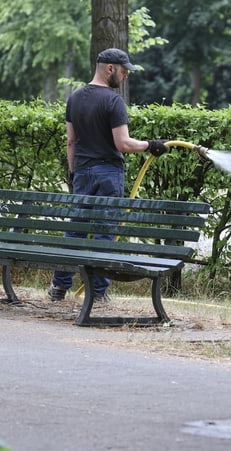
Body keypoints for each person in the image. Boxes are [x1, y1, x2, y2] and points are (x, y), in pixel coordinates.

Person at [49, 47, 169, 302]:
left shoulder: (75, 98)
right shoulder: (113, 101)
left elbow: (71, 142)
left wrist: (73, 173)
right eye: (124, 71)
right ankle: (97, 293)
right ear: (110, 68)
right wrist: (151, 145)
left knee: (76, 230)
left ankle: (59, 287)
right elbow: (123, 144)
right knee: (105, 232)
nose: (126, 76)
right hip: (108, 174)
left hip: (81, 171)